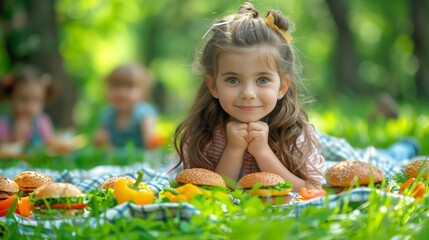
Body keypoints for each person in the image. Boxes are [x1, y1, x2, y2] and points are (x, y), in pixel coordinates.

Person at [173, 2, 326, 191]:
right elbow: (211, 193)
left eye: (262, 80)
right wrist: (233, 150)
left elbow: (311, 190)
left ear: (282, 87)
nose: (248, 94)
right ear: (213, 85)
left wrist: (262, 152)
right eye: (232, 80)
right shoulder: (205, 134)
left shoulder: (294, 135)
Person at [94, 63, 158, 149]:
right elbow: (100, 144)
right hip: (117, 160)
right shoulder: (107, 115)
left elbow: (151, 144)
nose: (121, 92)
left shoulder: (144, 114)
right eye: (116, 86)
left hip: (141, 161)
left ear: (143, 92)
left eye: (129, 86)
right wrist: (100, 141)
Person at [0, 65, 56, 151]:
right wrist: (15, 137)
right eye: (23, 99)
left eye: (35, 100)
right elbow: (4, 151)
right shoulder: (4, 124)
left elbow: (51, 145)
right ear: (11, 98)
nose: (29, 106)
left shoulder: (42, 122)